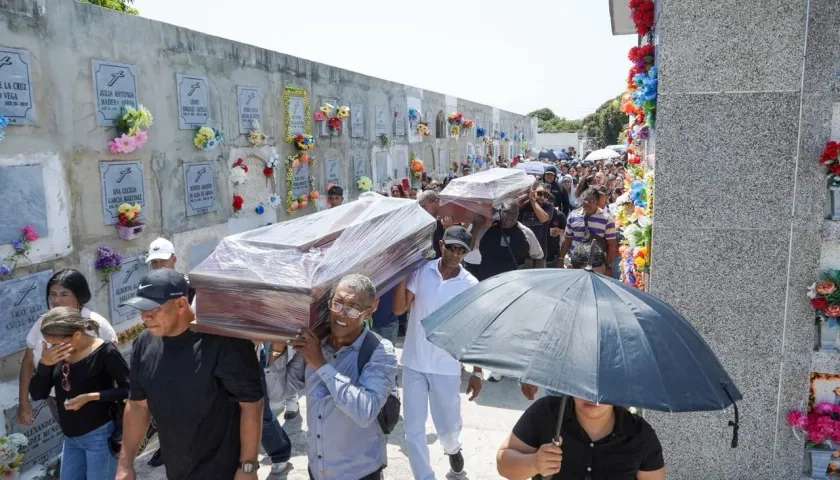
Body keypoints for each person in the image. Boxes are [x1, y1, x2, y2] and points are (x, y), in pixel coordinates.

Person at [115, 269, 263, 480]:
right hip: (176, 470)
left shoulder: (224, 343)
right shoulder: (144, 343)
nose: (145, 317)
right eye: (141, 309)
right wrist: (125, 463)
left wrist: (248, 467)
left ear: (181, 304)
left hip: (223, 471)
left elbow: (251, 405)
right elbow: (138, 405)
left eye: (153, 309)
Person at [265, 274, 398, 480]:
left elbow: (365, 411)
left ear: (371, 309)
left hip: (359, 473)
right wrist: (277, 349)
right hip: (317, 470)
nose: (341, 315)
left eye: (353, 308)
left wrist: (320, 363)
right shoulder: (316, 344)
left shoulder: (380, 351)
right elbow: (276, 394)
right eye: (337, 304)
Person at [393, 226, 483, 480]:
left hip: (446, 367)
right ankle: (424, 476)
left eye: (461, 250)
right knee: (413, 430)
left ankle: (453, 449)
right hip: (413, 363)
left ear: (466, 253)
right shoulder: (421, 272)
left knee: (447, 428)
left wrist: (477, 371)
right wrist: (402, 272)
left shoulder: (470, 285)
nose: (455, 254)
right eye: (452, 247)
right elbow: (400, 309)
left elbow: (473, 331)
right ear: (441, 244)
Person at [29, 306, 129, 480]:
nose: (53, 347)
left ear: (76, 334)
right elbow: (38, 394)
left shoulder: (105, 351)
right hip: (70, 437)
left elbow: (128, 389)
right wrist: (44, 365)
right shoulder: (57, 355)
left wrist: (91, 397)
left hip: (99, 435)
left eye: (57, 342)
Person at [18, 269, 117, 426]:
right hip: (57, 401)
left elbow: (115, 372)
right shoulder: (42, 323)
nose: (57, 300)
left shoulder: (96, 324)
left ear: (79, 295)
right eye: (52, 294)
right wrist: (23, 403)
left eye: (64, 294)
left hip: (93, 403)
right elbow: (28, 361)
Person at [496, 396, 665, 480]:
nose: (593, 395)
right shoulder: (546, 412)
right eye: (587, 384)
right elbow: (503, 463)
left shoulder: (640, 434)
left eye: (604, 384)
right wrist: (534, 463)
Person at [559, 187, 617, 275]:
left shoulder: (607, 218)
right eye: (585, 199)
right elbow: (567, 239)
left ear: (597, 202)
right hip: (575, 262)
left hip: (596, 265)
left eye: (592, 200)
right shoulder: (573, 215)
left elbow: (611, 244)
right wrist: (561, 258)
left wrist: (608, 265)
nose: (587, 203)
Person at [519, 183, 566, 269]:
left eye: (546, 195)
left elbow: (543, 218)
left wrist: (532, 200)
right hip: (523, 253)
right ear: (534, 192)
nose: (543, 197)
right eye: (540, 193)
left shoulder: (548, 208)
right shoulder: (524, 206)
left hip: (539, 254)